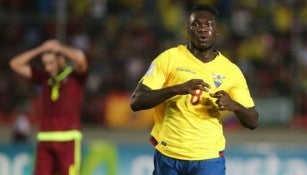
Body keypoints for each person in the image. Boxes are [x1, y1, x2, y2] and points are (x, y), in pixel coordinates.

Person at [130, 3, 259, 175]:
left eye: (208, 25)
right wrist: (176, 89)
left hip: (208, 159)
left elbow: (253, 121)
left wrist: (234, 105)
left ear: (217, 31)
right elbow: (137, 101)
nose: (202, 29)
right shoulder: (169, 58)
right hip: (169, 155)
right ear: (188, 30)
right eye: (196, 24)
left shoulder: (231, 71)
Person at [9, 39, 88, 175]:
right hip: (45, 138)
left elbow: (81, 60)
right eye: (45, 64)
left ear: (61, 60)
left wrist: (60, 48)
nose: (47, 68)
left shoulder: (75, 77)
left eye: (51, 63)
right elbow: (15, 64)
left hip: (67, 139)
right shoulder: (44, 78)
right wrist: (41, 49)